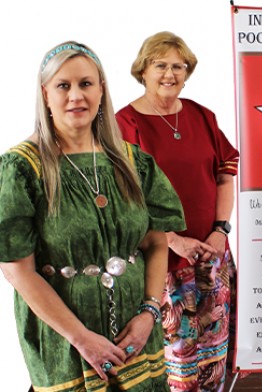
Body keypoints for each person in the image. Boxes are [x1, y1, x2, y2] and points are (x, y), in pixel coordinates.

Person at [0, 41, 186, 391]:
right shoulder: (22, 168)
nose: (76, 96)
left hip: (137, 339)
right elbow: (16, 269)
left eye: (86, 83)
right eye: (63, 85)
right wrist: (81, 338)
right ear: (45, 93)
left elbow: (155, 242)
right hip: (66, 346)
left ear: (101, 90)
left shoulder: (132, 162)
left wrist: (149, 312)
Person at [116, 31, 239, 391]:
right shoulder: (126, 124)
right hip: (162, 263)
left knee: (213, 355)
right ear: (143, 70)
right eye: (160, 65)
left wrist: (220, 230)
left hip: (211, 255)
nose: (170, 74)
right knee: (175, 361)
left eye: (178, 66)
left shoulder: (202, 116)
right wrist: (173, 241)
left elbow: (224, 175)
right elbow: (127, 201)